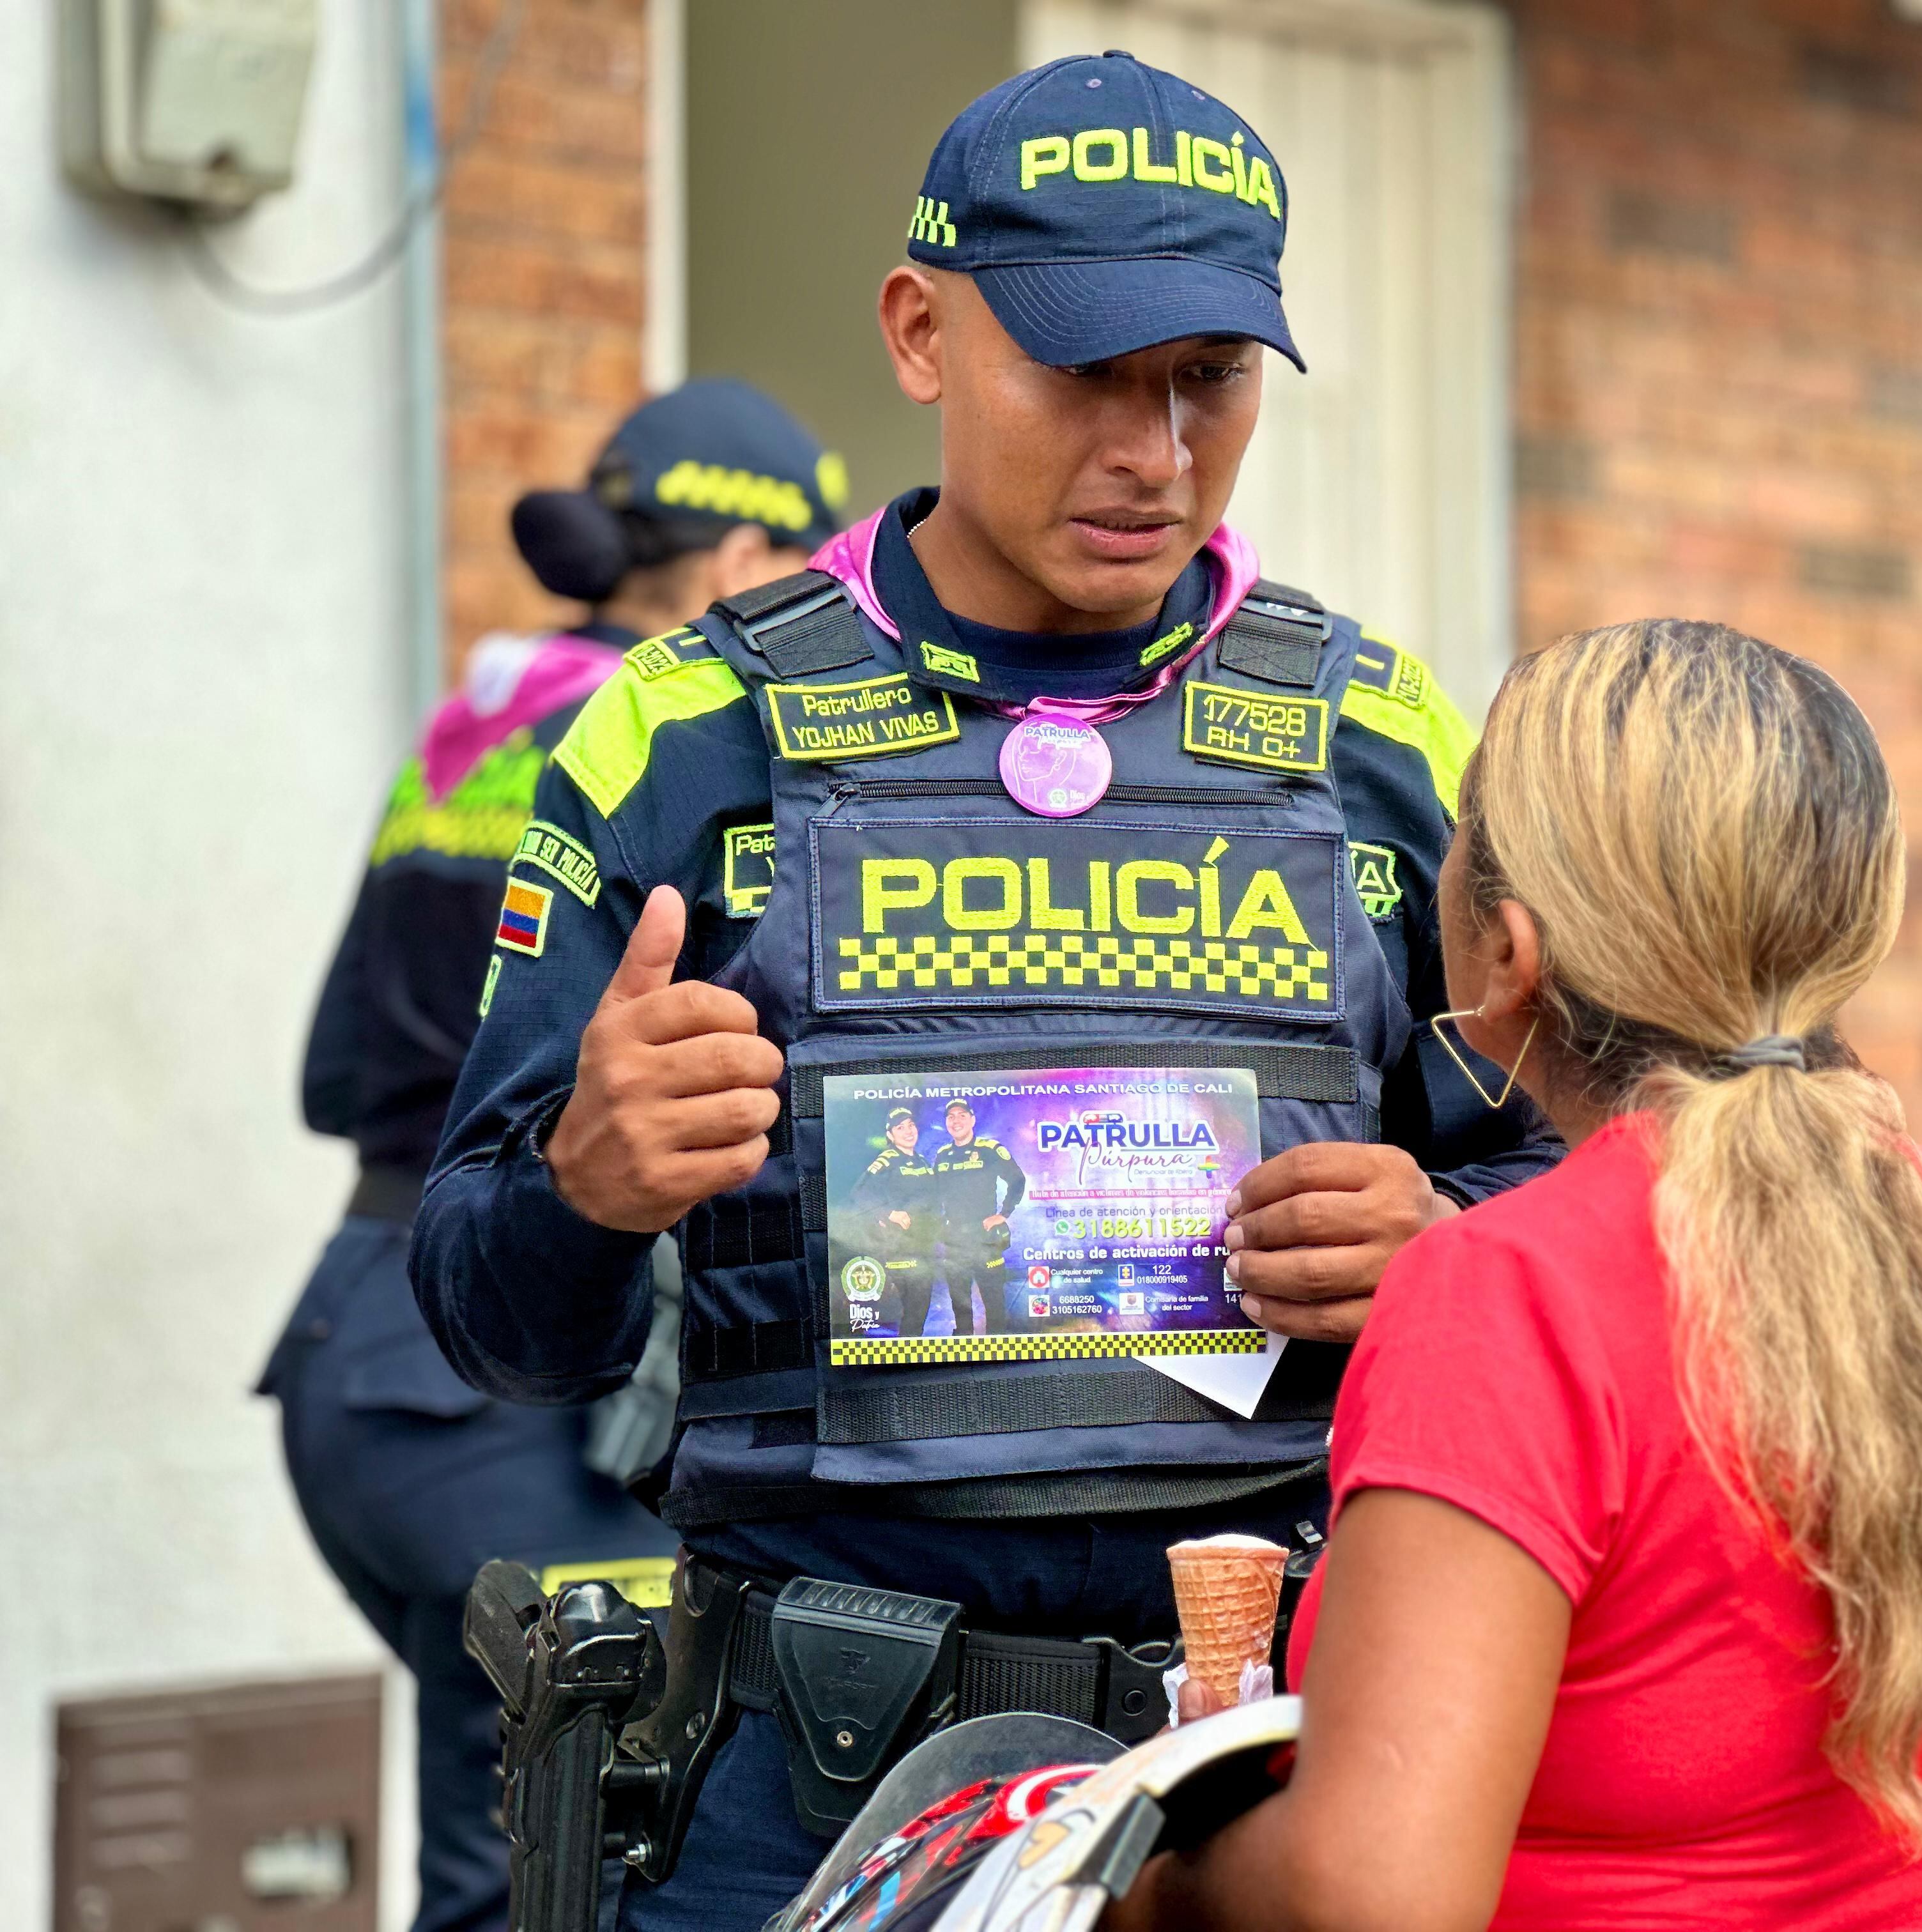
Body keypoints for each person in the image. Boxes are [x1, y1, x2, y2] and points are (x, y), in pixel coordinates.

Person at [411, 50, 1558, 1931]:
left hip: (1269, 1768)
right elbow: (486, 1317)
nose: (1155, 451)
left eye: (1209, 381)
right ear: (921, 333)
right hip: (802, 1793)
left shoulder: (1380, 740)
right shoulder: (683, 742)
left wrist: (1445, 1238)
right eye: (1087, 375)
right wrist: (585, 1193)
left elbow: (1596, 1222)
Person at [1111, 621, 1922, 1932]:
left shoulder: (1504, 1289)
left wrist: (1119, 1876)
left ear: (1509, 949)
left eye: (1461, 826)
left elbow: (1370, 1894)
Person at [265, 378, 839, 1932]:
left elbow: (335, 1070)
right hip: (491, 1383)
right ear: (737, 558)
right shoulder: (651, 741)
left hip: (345, 1356)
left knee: (496, 1852)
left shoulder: (472, 724)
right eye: (810, 568)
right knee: (561, 1867)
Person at [929, 1096, 1026, 1335]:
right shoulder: (942, 1155)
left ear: (972, 1120)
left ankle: (998, 1347)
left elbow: (1017, 1180)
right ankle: (964, 1345)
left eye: (962, 1115)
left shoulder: (990, 1150)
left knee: (993, 1299)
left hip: (985, 1237)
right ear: (947, 1124)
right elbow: (933, 1194)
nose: (956, 1120)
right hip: (955, 1240)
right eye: (951, 1117)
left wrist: (1003, 1214)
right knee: (959, 1299)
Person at [850, 1107, 942, 1335]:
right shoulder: (888, 1160)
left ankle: (910, 1352)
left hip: (923, 1245)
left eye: (911, 1125)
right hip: (902, 1246)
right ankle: (906, 1356)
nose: (908, 1131)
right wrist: (889, 1214)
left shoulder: (921, 1161)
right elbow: (860, 1192)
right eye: (900, 1128)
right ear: (890, 1135)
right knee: (912, 1306)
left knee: (920, 1307)